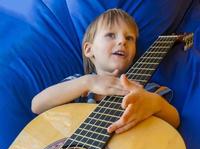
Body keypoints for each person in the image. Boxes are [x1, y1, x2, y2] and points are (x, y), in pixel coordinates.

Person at [31, 8, 180, 134]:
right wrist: (88, 82)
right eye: (110, 35)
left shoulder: (142, 87)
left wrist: (155, 104)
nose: (122, 41)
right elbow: (37, 105)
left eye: (129, 38)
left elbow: (175, 120)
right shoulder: (77, 85)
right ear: (89, 50)